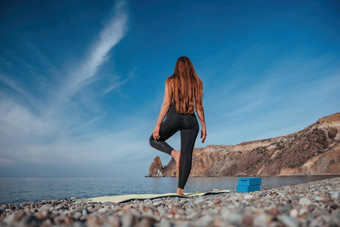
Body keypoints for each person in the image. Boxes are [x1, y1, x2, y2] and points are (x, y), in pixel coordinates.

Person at [149, 56, 207, 196]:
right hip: (191, 121)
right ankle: (180, 191)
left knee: (153, 140)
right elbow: (199, 106)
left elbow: (166, 104)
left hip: (174, 117)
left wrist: (157, 125)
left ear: (177, 67)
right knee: (187, 155)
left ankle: (175, 153)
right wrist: (204, 126)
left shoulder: (171, 81)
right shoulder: (197, 82)